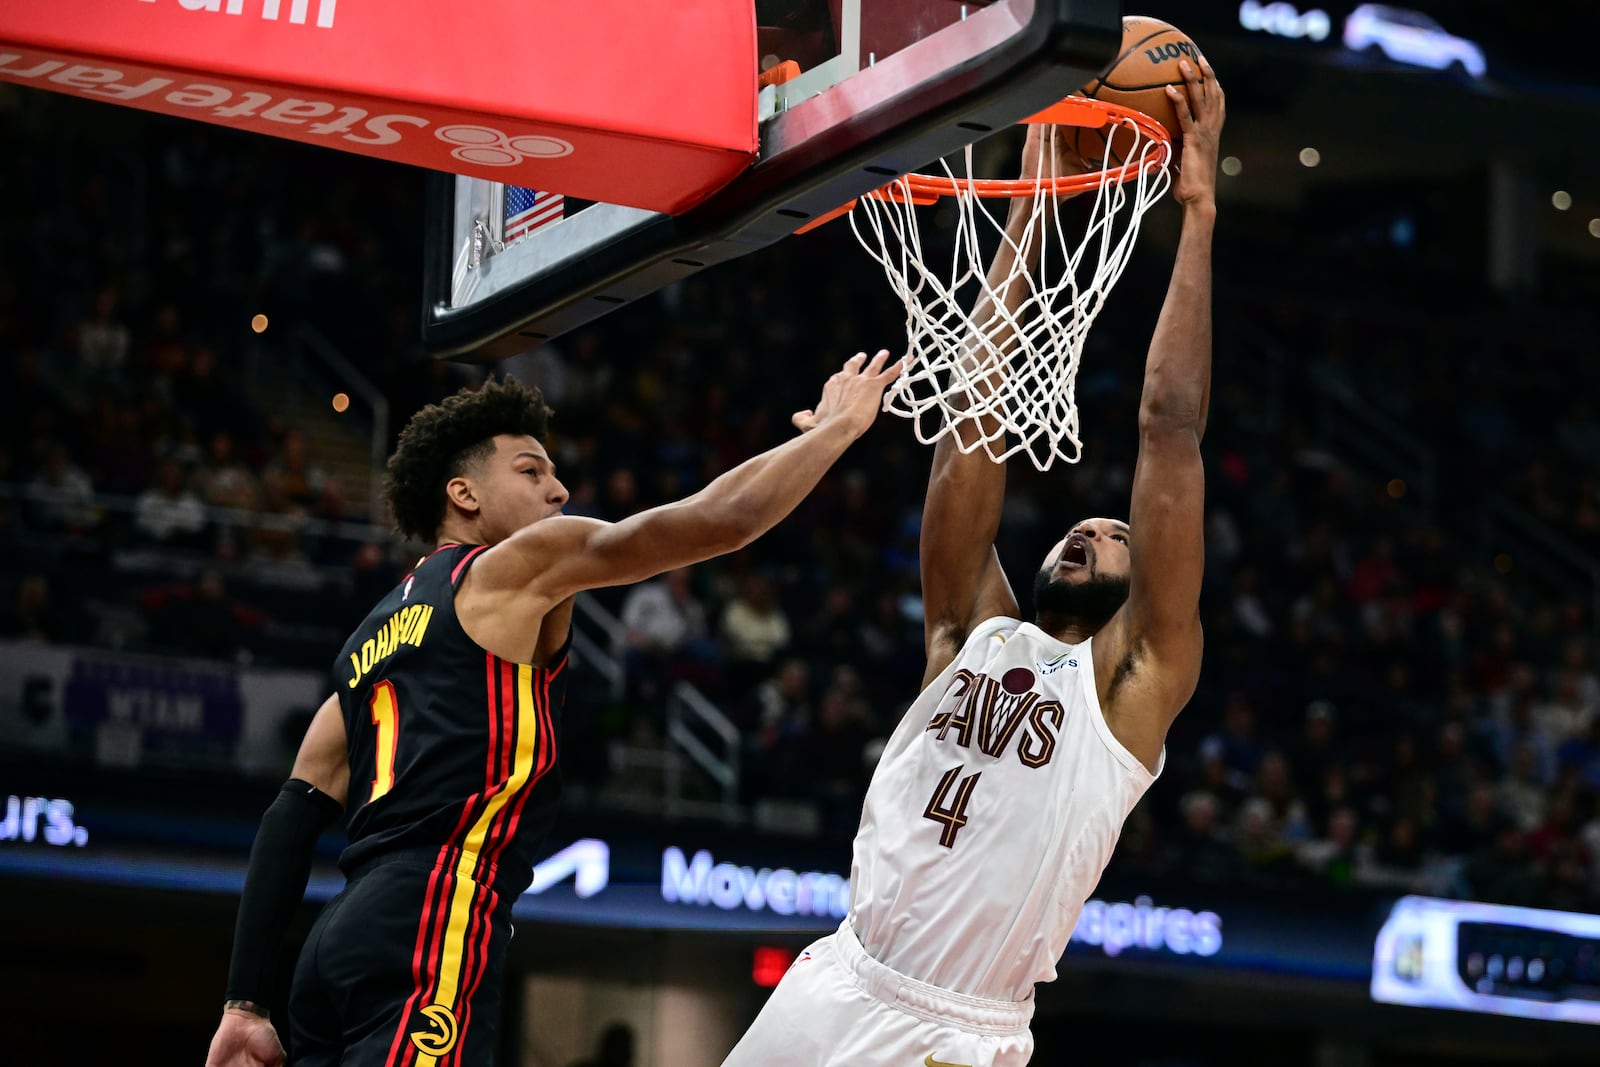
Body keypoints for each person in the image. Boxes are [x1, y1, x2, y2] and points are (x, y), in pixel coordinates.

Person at [722, 57, 1224, 1067]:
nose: (1090, 529)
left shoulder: (1131, 684)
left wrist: (1200, 210)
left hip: (954, 1027)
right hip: (835, 975)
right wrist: (1033, 210)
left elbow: (1168, 430)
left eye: (1114, 532)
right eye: (1079, 525)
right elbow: (970, 427)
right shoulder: (968, 633)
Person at [204, 351, 902, 1067]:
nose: (559, 489)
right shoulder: (512, 567)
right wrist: (834, 432)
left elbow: (289, 819)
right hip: (436, 914)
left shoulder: (364, 646)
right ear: (464, 494)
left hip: (333, 941)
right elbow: (722, 520)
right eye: (531, 470)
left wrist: (244, 1000)